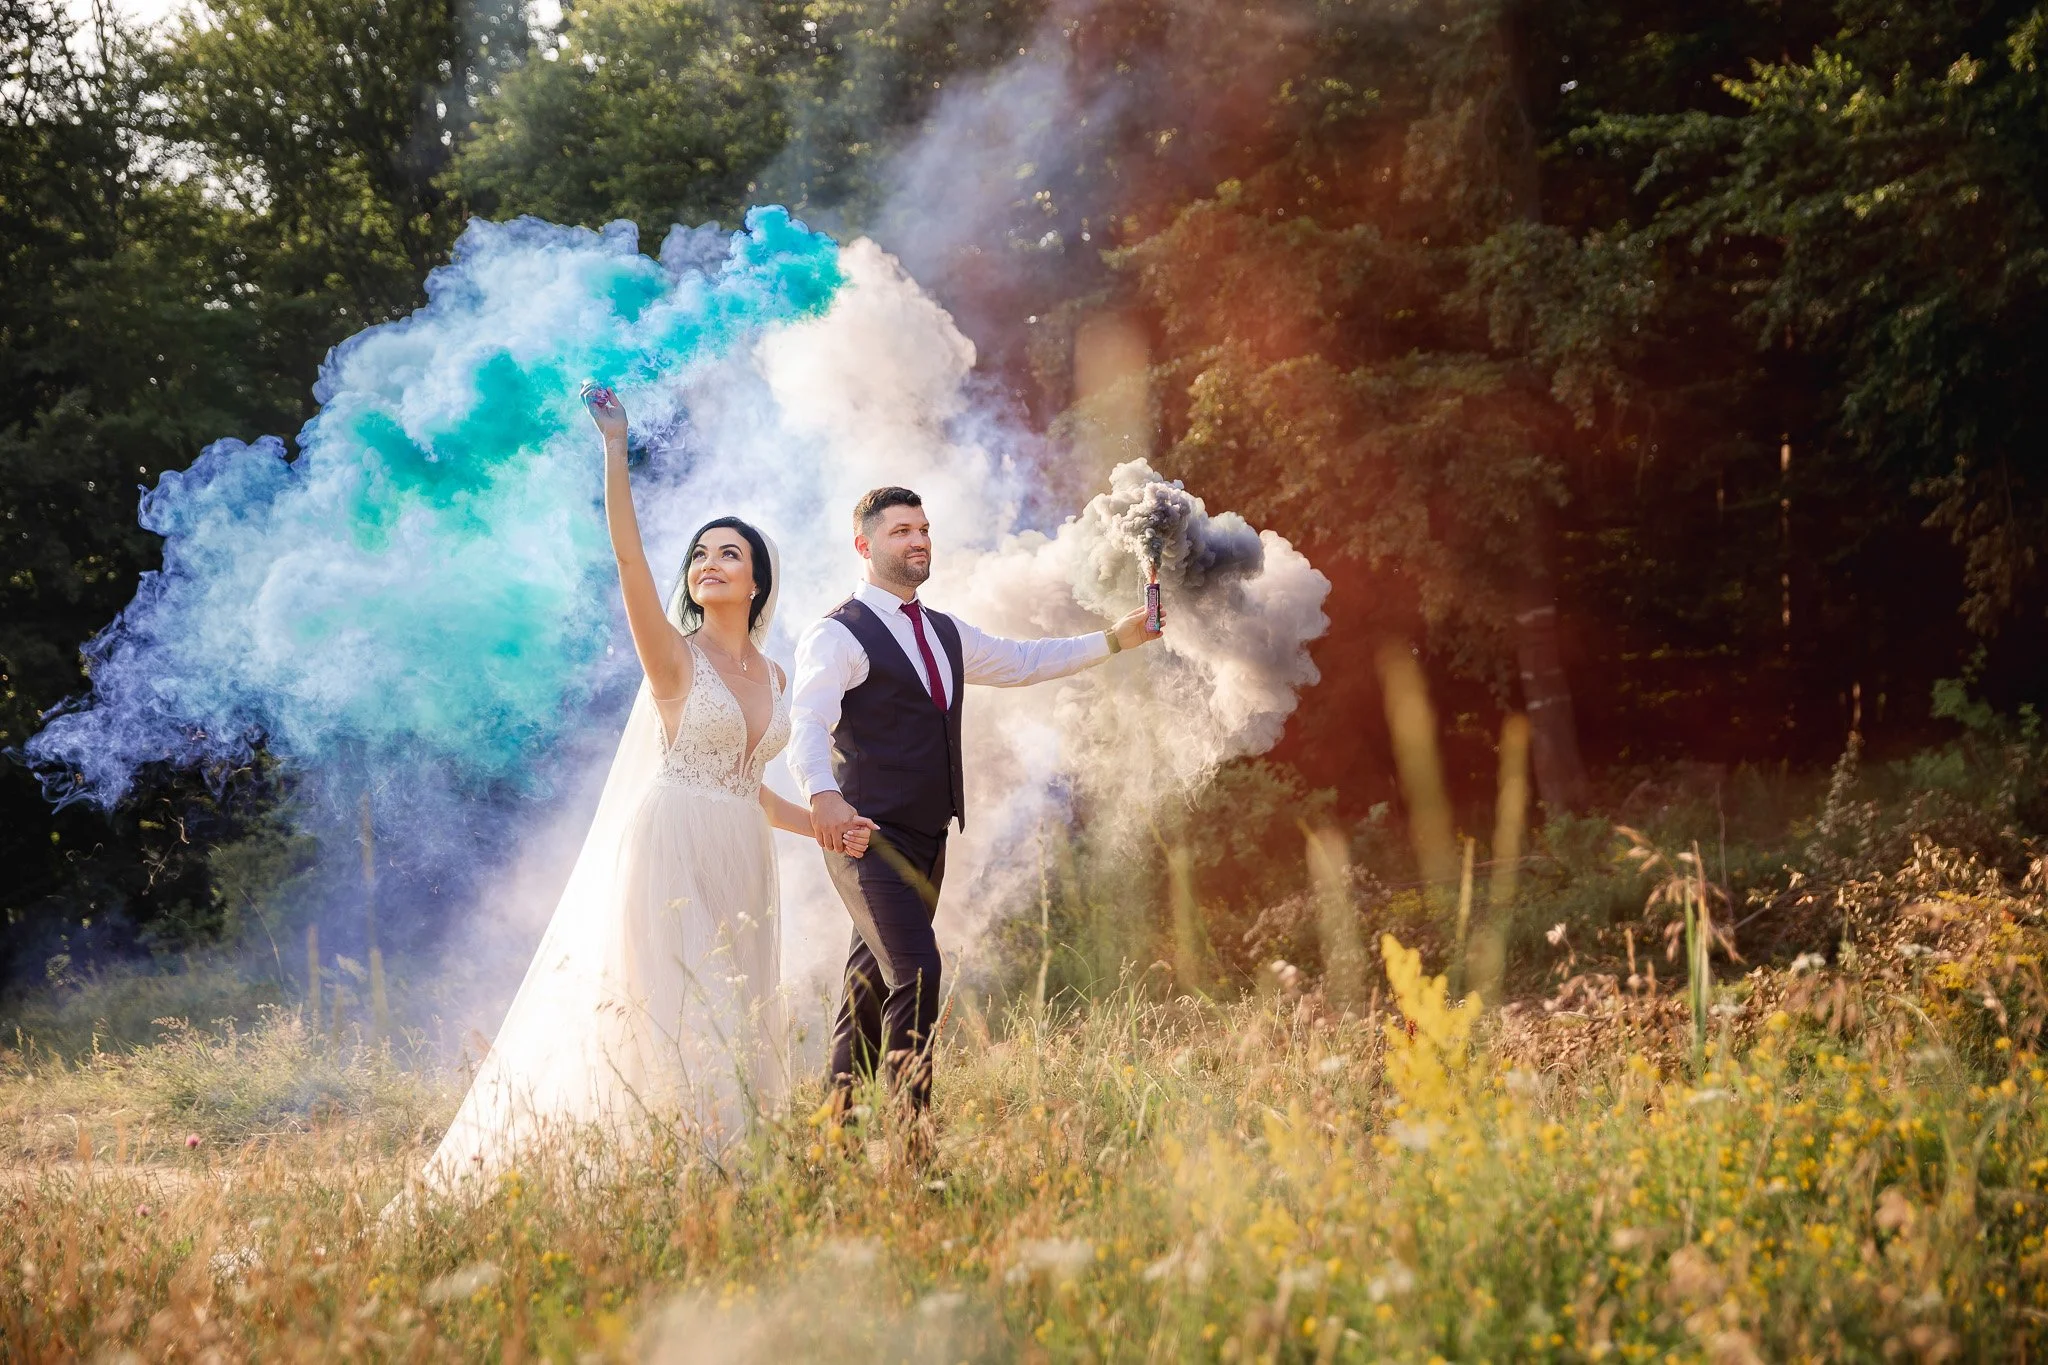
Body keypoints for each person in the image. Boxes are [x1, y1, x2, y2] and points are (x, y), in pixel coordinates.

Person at [420, 385, 875, 1187]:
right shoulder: (674, 657)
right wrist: (614, 449)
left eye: (728, 553)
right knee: (675, 1012)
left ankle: (727, 1176)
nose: (709, 563)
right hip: (668, 846)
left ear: (759, 581)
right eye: (700, 554)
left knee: (735, 1016)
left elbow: (751, 791)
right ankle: (654, 1172)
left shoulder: (774, 670)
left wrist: (827, 827)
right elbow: (630, 558)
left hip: (741, 857)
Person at [788, 486, 1161, 1137]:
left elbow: (1023, 661)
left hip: (929, 837)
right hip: (864, 838)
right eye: (901, 530)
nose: (918, 540)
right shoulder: (837, 632)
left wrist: (1116, 639)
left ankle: (833, 1137)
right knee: (917, 969)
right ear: (865, 545)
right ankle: (912, 1143)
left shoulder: (944, 632)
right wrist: (821, 792)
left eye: (924, 529)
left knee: (869, 986)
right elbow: (808, 719)